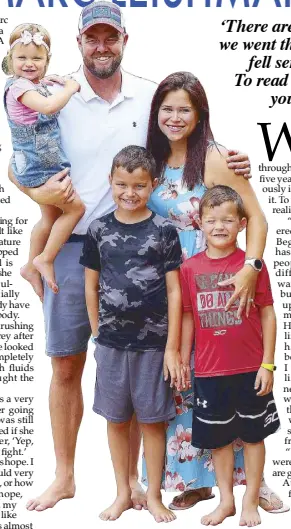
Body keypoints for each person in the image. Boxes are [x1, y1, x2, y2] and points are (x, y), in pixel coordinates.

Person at [8, 1, 253, 513]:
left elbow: (188, 135)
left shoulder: (148, 96)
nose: (101, 46)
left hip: (148, 250)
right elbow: (17, 162)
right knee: (66, 363)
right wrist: (38, 198)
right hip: (76, 246)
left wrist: (234, 161)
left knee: (156, 367)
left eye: (110, 38)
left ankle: (147, 483)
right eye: (91, 38)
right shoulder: (50, 92)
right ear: (77, 43)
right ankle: (65, 476)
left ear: (124, 41)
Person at [143, 71, 287, 514]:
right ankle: (199, 480)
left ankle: (253, 483)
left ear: (200, 112)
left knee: (234, 375)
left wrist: (251, 268)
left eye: (184, 108)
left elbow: (257, 219)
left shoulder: (217, 158)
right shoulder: (150, 160)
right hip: (171, 282)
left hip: (221, 280)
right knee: (187, 377)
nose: (174, 117)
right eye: (166, 108)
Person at [81, 145, 183, 522]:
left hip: (154, 345)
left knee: (153, 421)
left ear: (153, 185)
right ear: (110, 181)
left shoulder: (164, 230)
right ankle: (123, 492)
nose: (129, 192)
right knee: (116, 419)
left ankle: (154, 494)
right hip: (110, 344)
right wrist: (96, 332)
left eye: (139, 185)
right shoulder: (98, 229)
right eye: (121, 184)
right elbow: (91, 285)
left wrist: (172, 343)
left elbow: (175, 290)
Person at [180, 185, 280, 526]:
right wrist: (183, 358)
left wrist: (268, 364)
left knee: (254, 438)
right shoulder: (190, 268)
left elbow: (267, 312)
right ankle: (226, 501)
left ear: (241, 224)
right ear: (199, 224)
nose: (219, 226)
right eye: (211, 220)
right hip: (209, 372)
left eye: (227, 220)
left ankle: (250, 501)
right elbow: (188, 315)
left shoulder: (252, 266)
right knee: (219, 441)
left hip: (251, 369)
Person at [4, 23, 84, 296]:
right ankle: (45, 258)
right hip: (41, 166)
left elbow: (44, 96)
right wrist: (71, 87)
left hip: (38, 160)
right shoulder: (18, 88)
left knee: (49, 217)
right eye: (22, 58)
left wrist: (54, 82)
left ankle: (29, 266)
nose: (29, 63)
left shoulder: (32, 85)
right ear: (10, 59)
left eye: (37, 58)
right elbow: (48, 106)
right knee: (75, 210)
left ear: (47, 61)